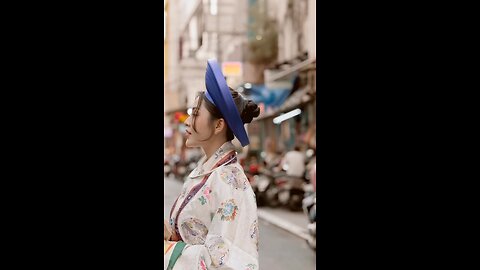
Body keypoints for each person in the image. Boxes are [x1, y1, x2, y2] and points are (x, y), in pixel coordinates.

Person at [164, 59, 260, 270]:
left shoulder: (230, 182)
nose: (187, 122)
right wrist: (170, 235)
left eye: (195, 115)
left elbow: (227, 263)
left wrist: (170, 250)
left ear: (218, 125)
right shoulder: (206, 171)